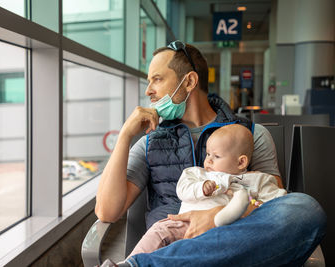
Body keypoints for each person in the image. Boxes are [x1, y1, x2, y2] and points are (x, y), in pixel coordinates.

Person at [95, 40, 326, 267]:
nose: (148, 91)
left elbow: (273, 205)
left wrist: (216, 216)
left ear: (189, 81)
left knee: (305, 208)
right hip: (171, 246)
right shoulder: (149, 144)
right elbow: (107, 211)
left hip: (235, 247)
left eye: (157, 79)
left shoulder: (250, 135)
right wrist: (125, 135)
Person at [128, 124, 287, 257]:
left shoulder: (257, 180)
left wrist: (258, 205)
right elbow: (182, 190)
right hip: (185, 224)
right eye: (208, 154)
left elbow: (280, 202)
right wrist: (201, 188)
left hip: (230, 232)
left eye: (216, 156)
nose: (208, 160)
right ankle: (130, 263)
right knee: (159, 231)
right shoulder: (197, 174)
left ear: (241, 162)